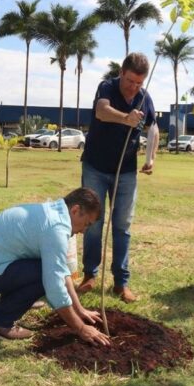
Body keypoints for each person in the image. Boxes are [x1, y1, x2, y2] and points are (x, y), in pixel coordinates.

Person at [0, 187, 111, 346]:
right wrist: (80, 328)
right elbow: (55, 286)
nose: (84, 231)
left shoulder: (53, 211)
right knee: (44, 276)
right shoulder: (55, 228)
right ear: (75, 210)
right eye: (86, 224)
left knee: (46, 269)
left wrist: (79, 309)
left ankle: (15, 301)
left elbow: (60, 268)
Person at [77, 52, 160, 303]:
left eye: (139, 83)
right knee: (93, 222)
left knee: (122, 226)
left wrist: (151, 157)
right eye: (130, 81)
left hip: (126, 171)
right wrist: (126, 118)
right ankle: (90, 276)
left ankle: (120, 283)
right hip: (95, 167)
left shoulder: (145, 98)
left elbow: (153, 126)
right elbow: (102, 112)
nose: (134, 87)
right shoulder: (107, 87)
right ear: (122, 73)